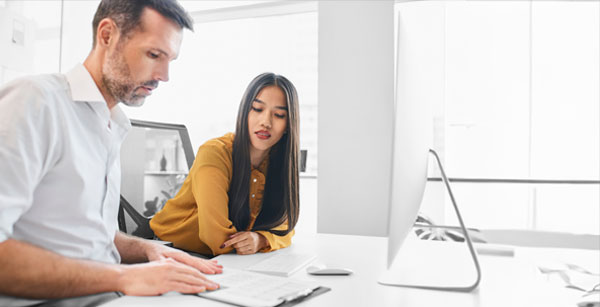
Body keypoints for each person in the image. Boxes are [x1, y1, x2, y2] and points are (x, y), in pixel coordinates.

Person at [0, 1, 222, 306]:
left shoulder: (112, 123)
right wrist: (123, 277)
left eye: (170, 59)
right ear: (107, 36)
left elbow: (88, 235)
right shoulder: (36, 102)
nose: (164, 75)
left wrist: (146, 250)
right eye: (154, 55)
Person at [150, 73, 300, 256]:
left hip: (223, 258)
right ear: (245, 112)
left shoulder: (278, 164)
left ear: (288, 126)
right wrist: (257, 243)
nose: (266, 122)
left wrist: (261, 240)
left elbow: (285, 229)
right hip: (173, 250)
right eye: (257, 109)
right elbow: (217, 239)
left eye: (279, 115)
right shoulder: (214, 153)